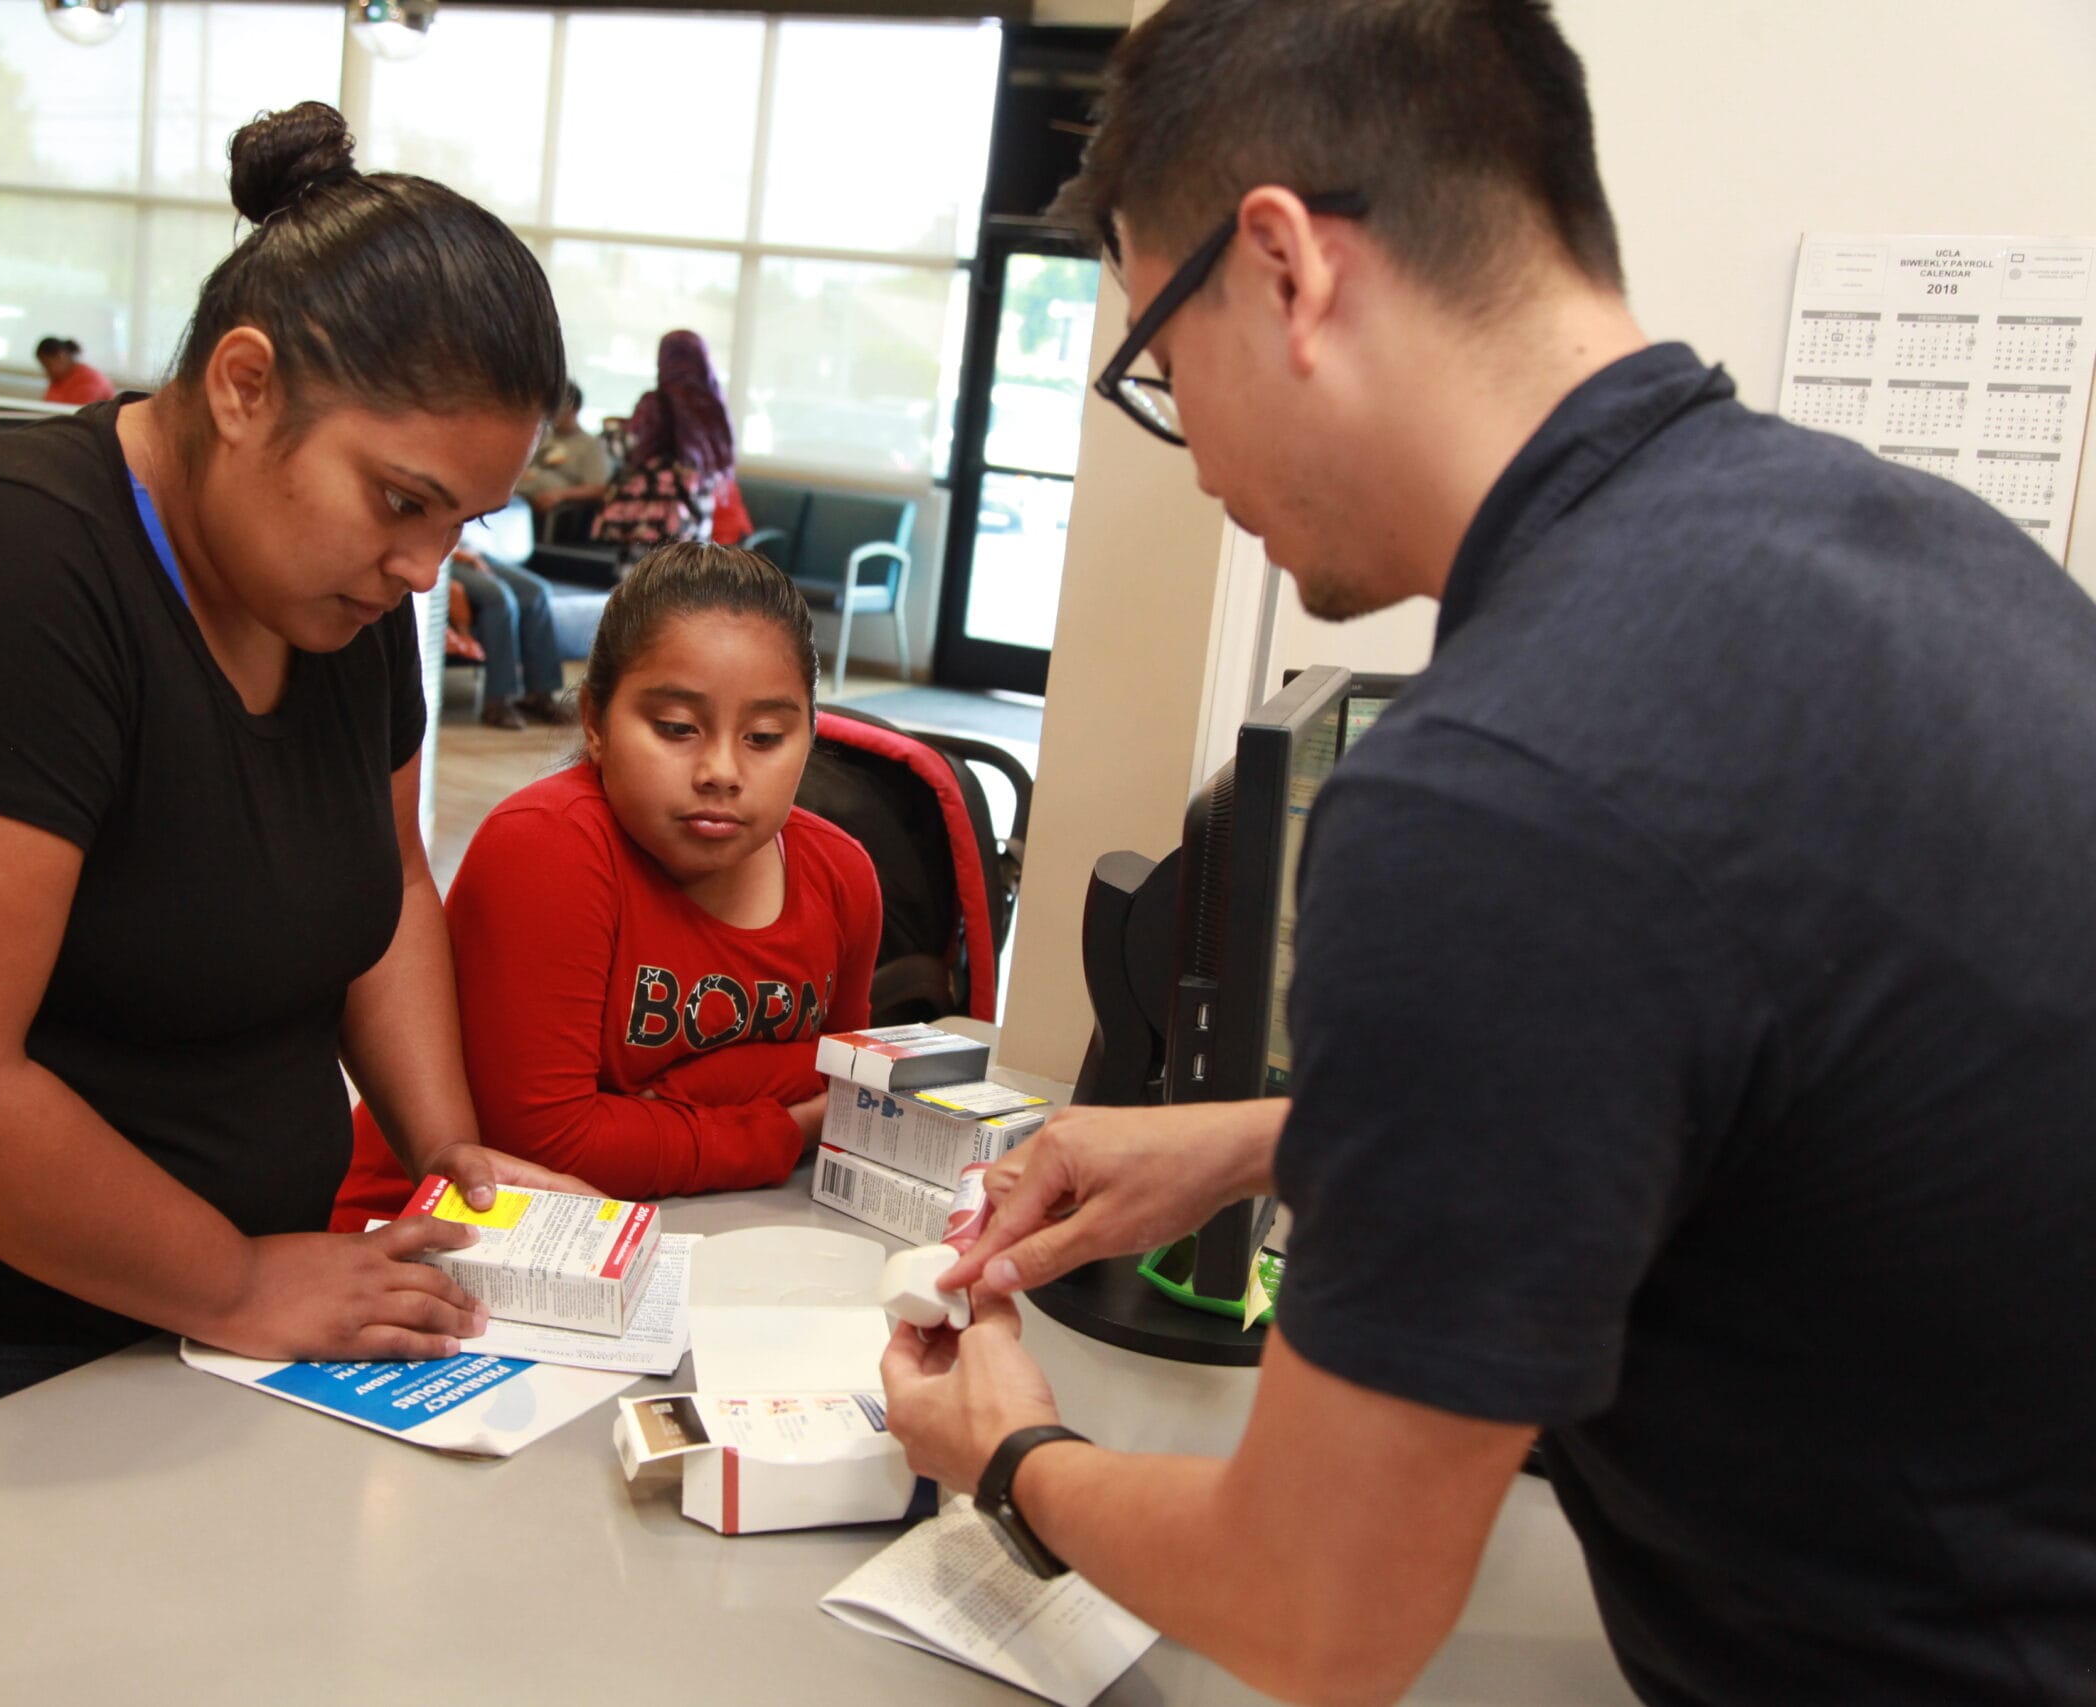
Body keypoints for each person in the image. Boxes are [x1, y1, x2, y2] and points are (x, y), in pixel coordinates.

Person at [879, 4, 2096, 1705]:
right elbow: (1776, 1099)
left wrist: (1013, 1451)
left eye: (1160, 364)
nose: (1196, 447)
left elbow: (1323, 1611)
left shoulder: (1502, 783)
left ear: (1286, 266)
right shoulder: (1923, 550)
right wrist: (1262, 1145)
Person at [0, 100, 589, 1515]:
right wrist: (234, 1275)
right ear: (244, 387)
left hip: (190, 1317)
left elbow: (389, 885)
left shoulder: (339, 599)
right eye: (399, 500)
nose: (424, 569)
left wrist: (442, 1144)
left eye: (460, 523)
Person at [334, 542, 882, 1218]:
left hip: (699, 1219)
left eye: (764, 736)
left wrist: (666, 1100)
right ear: (595, 722)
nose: (721, 769)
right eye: (677, 728)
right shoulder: (547, 848)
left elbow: (847, 1095)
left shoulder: (843, 874)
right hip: (436, 1236)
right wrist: (779, 1128)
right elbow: (548, 1148)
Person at [592, 331, 737, 566]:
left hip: (649, 521)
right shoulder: (714, 409)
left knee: (640, 592)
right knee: (685, 590)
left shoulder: (655, 403)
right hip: (694, 519)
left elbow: (622, 447)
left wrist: (612, 428)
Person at [445, 544, 572, 729]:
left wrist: (470, 552)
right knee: (499, 597)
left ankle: (538, 695)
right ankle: (498, 702)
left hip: (469, 548)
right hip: (444, 555)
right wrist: (460, 554)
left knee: (536, 592)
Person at [515, 379, 613, 515]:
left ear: (575, 409)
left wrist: (561, 495)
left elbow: (599, 488)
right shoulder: (541, 436)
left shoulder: (591, 445)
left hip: (552, 510)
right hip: (517, 497)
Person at [35, 335, 115, 405]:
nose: (46, 371)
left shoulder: (89, 380)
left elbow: (79, 416)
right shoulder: (60, 379)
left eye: (47, 365)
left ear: (60, 356)